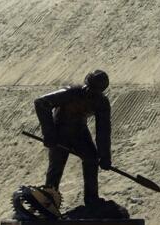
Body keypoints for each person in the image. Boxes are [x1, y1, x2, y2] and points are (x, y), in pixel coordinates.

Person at [34, 69, 112, 206]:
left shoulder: (102, 103)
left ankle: (92, 199)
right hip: (59, 131)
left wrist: (105, 156)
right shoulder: (70, 92)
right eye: (90, 89)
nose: (91, 94)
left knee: (92, 159)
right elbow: (41, 102)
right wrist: (49, 133)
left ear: (101, 91)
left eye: (96, 92)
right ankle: (49, 199)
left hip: (80, 132)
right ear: (86, 84)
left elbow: (103, 130)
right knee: (57, 164)